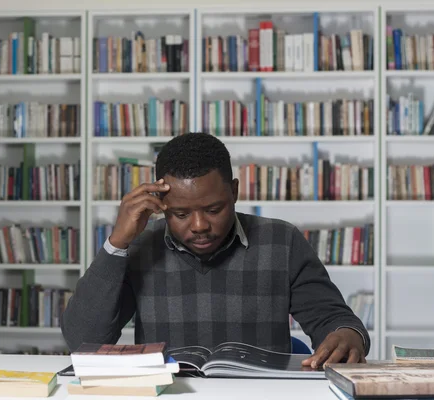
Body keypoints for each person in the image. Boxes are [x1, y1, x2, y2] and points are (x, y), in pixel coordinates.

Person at [61, 132, 369, 368]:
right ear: (162, 205)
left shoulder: (281, 240)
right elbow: (84, 342)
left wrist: (347, 335)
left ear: (234, 192)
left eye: (213, 209)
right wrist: (117, 243)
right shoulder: (139, 247)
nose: (199, 225)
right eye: (181, 214)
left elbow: (330, 316)